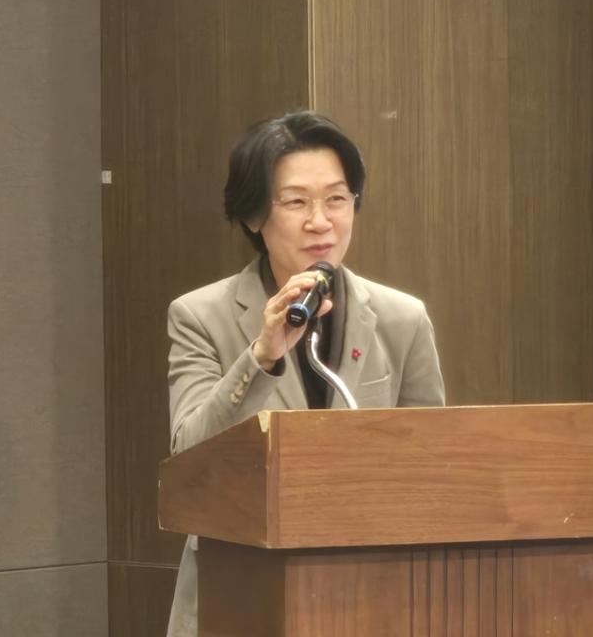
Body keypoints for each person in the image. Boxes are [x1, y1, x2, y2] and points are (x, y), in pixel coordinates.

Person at [164, 110, 445, 636]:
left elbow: (430, 466)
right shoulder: (200, 316)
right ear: (254, 215)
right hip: (240, 592)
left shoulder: (402, 319)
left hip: (372, 593)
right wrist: (261, 356)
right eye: (296, 202)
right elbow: (189, 457)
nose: (321, 221)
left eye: (337, 199)